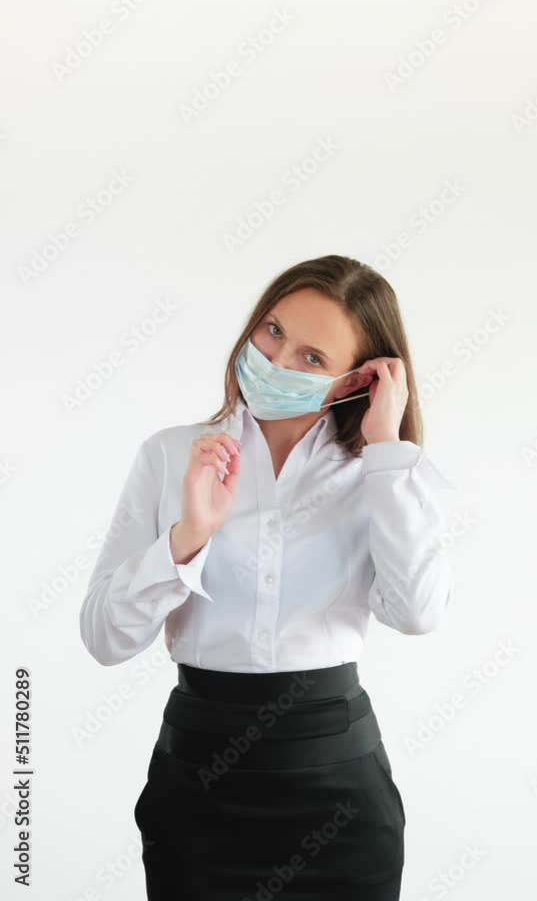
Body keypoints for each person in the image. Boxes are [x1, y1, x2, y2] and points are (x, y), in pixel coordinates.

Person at [79, 254, 456, 900]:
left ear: (355, 380)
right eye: (273, 331)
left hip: (337, 785)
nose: (276, 362)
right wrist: (189, 534)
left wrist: (388, 451)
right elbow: (105, 639)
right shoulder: (172, 454)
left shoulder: (381, 474)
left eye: (312, 357)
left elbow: (416, 613)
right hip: (197, 774)